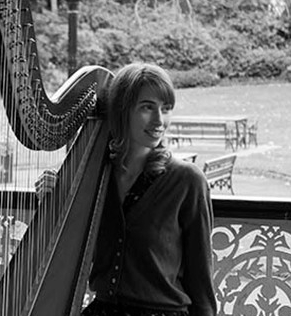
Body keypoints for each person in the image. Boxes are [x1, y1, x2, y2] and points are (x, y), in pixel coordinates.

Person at [38, 62, 216, 316]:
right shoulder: (94, 178)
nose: (159, 120)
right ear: (121, 110)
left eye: (166, 109)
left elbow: (201, 277)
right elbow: (68, 253)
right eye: (147, 107)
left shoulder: (187, 180)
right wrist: (56, 198)